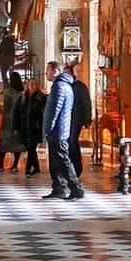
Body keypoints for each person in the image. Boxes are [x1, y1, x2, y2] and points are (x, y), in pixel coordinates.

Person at [42, 61, 85, 200]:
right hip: (58, 130)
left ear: (55, 71)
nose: (46, 73)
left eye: (48, 70)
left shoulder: (60, 86)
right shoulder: (63, 85)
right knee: (55, 162)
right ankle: (59, 188)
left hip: (58, 131)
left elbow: (53, 112)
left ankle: (77, 187)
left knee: (62, 161)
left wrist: (46, 130)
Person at [67, 62, 93, 176]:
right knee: (67, 142)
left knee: (73, 141)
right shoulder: (64, 86)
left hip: (76, 118)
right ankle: (69, 166)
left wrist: (88, 119)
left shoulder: (81, 86)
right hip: (66, 119)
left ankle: (77, 168)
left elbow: (87, 103)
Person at [0, 71, 24, 170]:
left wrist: (0, 110)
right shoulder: (22, 92)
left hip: (8, 118)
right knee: (17, 141)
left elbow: (6, 106)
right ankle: (15, 165)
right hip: (19, 118)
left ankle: (0, 164)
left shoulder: (8, 91)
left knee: (4, 141)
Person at [21, 76, 47, 175]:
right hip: (26, 126)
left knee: (31, 148)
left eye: (35, 84)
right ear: (28, 86)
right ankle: (36, 167)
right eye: (32, 84)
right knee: (30, 148)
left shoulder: (41, 97)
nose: (34, 86)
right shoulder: (23, 97)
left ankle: (28, 169)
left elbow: (43, 113)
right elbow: (18, 112)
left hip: (36, 127)